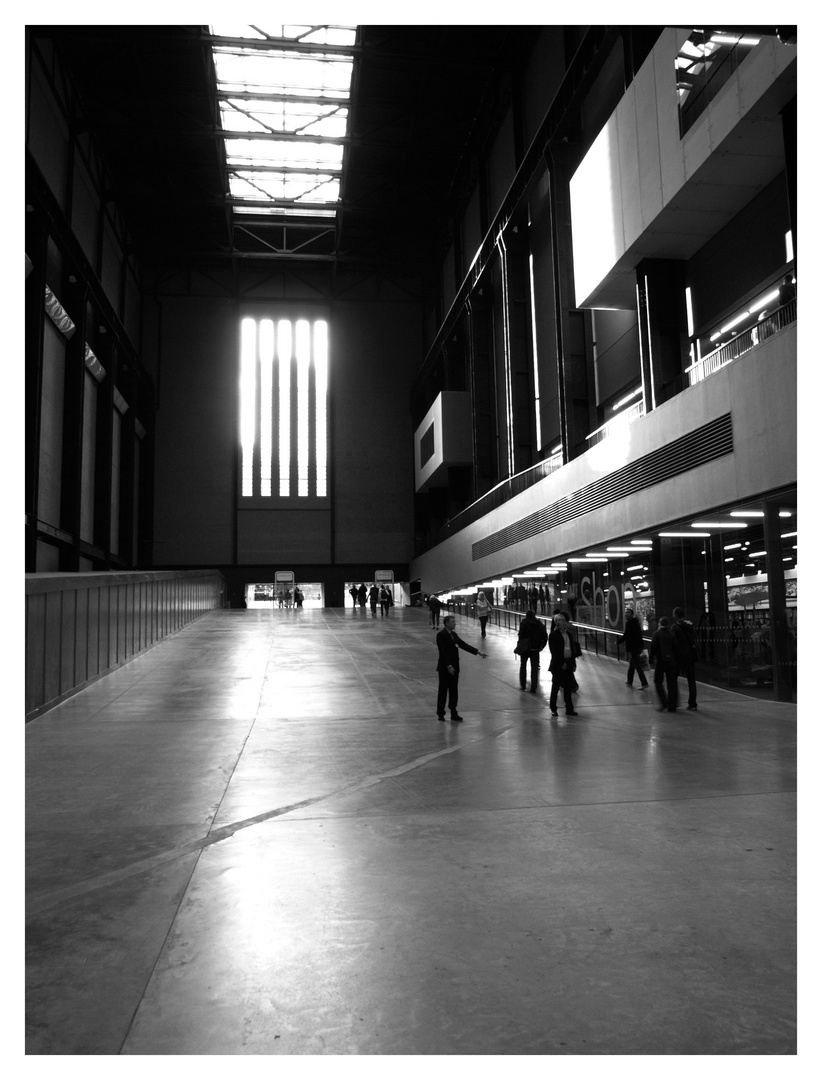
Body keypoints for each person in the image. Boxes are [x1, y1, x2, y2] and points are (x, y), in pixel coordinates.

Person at [435, 614, 487, 722]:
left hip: (455, 667)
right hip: (445, 668)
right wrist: (448, 666)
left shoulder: (453, 634)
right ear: (447, 623)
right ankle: (440, 713)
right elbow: (443, 652)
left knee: (454, 691)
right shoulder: (441, 635)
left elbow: (464, 645)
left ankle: (453, 712)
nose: (455, 623)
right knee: (443, 691)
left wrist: (478, 652)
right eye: (453, 622)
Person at [547, 612, 578, 717]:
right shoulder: (553, 635)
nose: (562, 623)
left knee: (568, 687)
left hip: (568, 662)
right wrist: (562, 663)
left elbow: (572, 649)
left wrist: (573, 663)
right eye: (559, 621)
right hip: (558, 664)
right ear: (556, 623)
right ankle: (553, 708)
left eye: (563, 621)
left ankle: (569, 708)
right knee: (555, 687)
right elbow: (554, 651)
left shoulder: (568, 634)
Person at [649, 615, 678, 712]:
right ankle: (672, 705)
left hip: (661, 661)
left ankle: (664, 702)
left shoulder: (656, 634)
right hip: (671, 661)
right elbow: (675, 648)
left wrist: (651, 659)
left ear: (660, 624)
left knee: (658, 682)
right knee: (672, 683)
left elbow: (653, 648)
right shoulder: (672, 634)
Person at [516, 609, 548, 692]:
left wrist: (520, 645)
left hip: (525, 648)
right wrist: (542, 646)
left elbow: (521, 635)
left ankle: (523, 684)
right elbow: (545, 636)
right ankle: (533, 687)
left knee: (523, 666)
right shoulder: (539, 624)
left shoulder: (524, 623)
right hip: (535, 649)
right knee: (534, 668)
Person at [672, 607, 698, 710]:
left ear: (676, 615)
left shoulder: (675, 628)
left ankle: (673, 702)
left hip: (679, 656)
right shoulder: (690, 625)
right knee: (691, 680)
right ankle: (693, 703)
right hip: (689, 655)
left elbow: (673, 642)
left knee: (673, 679)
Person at [620, 607, 648, 689]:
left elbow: (627, 634)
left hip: (634, 647)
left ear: (631, 615)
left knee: (637, 665)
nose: (626, 614)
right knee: (632, 664)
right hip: (638, 646)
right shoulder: (635, 622)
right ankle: (629, 681)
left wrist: (618, 641)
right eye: (626, 612)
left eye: (628, 612)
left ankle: (644, 683)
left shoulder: (630, 623)